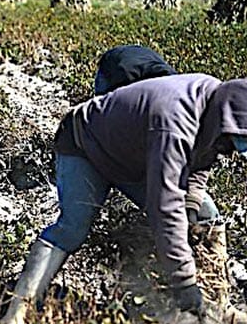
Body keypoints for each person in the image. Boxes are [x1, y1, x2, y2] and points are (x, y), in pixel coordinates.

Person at [0, 72, 247, 324]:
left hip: (132, 156)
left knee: (208, 217)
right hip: (86, 145)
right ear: (223, 120)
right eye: (231, 141)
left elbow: (202, 160)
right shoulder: (174, 121)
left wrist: (191, 209)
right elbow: (165, 209)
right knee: (73, 227)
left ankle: (220, 308)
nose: (229, 150)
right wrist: (184, 281)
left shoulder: (215, 107)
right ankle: (18, 311)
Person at [93, 44, 219, 223]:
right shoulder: (144, 104)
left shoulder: (197, 115)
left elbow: (200, 166)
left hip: (142, 66)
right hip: (115, 70)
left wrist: (192, 203)